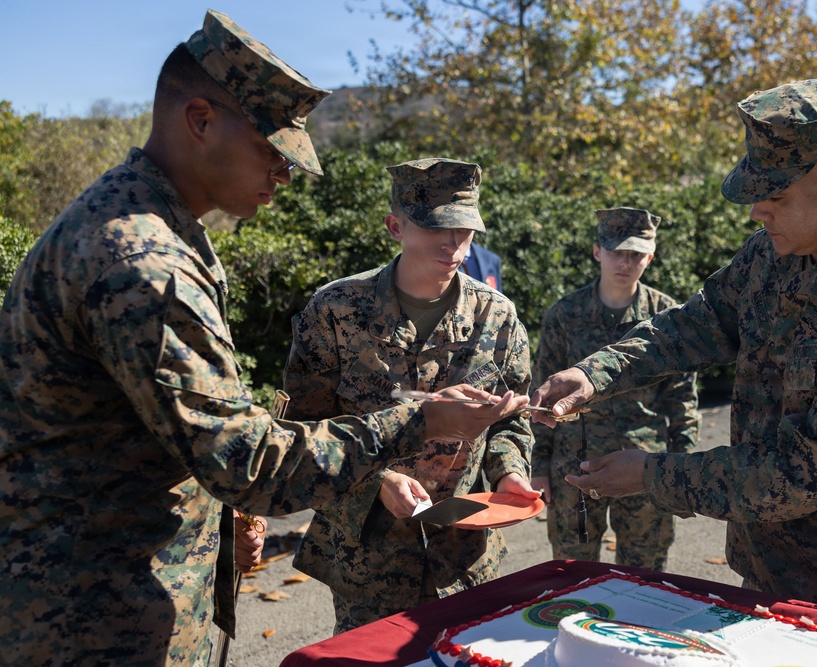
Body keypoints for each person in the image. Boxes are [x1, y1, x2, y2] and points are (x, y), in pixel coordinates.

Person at [0, 12, 527, 666]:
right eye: (271, 148)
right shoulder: (143, 263)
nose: (285, 171)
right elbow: (250, 464)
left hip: (107, 600)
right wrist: (420, 418)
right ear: (200, 119)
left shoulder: (135, 229)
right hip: (95, 622)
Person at [531, 76, 817, 628]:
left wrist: (651, 475)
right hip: (766, 566)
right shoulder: (778, 248)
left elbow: (802, 473)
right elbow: (698, 321)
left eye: (775, 196)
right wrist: (595, 373)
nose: (757, 212)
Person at [282, 157, 538, 632]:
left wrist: (510, 474)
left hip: (463, 558)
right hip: (368, 555)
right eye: (437, 229)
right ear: (395, 226)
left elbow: (509, 419)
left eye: (465, 231)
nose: (454, 245)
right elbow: (303, 429)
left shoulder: (497, 316)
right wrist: (375, 479)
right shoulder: (336, 310)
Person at [530, 207, 700, 569]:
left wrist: (680, 470)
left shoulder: (666, 317)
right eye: (616, 252)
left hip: (644, 465)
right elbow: (542, 395)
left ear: (650, 257)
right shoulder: (565, 315)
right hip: (576, 466)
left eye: (636, 254)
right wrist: (538, 467)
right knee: (572, 574)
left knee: (643, 575)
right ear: (597, 252)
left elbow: (682, 400)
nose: (625, 262)